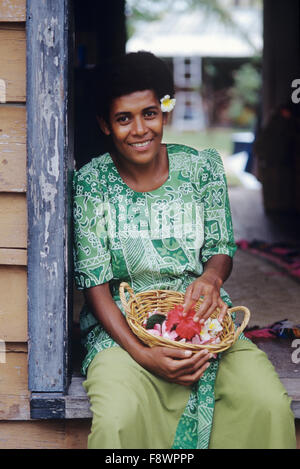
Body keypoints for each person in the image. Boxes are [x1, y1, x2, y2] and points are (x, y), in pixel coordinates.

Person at [72, 51, 296, 449]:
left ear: (165, 111)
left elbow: (221, 247)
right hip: (121, 331)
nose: (140, 129)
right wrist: (145, 356)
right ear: (105, 125)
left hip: (206, 324)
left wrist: (211, 277)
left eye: (150, 113)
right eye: (124, 118)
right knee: (118, 419)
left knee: (266, 403)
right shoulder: (92, 183)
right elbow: (95, 286)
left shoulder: (202, 168)